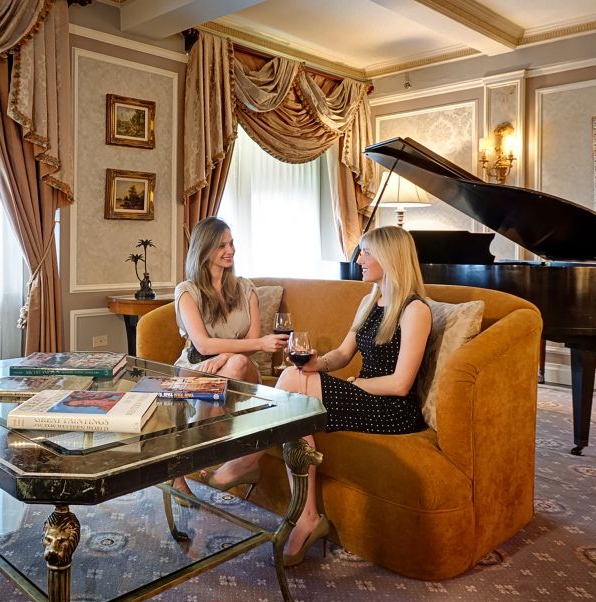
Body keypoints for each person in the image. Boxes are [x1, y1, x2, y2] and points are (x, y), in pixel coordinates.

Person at [205, 225, 432, 566]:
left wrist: (348, 385)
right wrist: (316, 364)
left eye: (367, 252)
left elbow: (401, 384)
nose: (360, 259)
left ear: (390, 257)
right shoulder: (370, 301)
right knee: (295, 385)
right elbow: (341, 355)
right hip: (364, 395)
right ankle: (309, 515)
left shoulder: (415, 310)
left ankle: (247, 458)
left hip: (392, 409)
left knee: (292, 385)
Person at [169, 216, 288, 498]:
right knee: (225, 366)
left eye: (231, 243)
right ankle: (204, 458)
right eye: (222, 245)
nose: (230, 250)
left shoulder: (246, 288)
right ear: (204, 249)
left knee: (236, 363)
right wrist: (223, 354)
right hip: (196, 366)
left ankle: (192, 457)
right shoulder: (187, 291)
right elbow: (202, 344)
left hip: (244, 369)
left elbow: (251, 345)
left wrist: (224, 356)